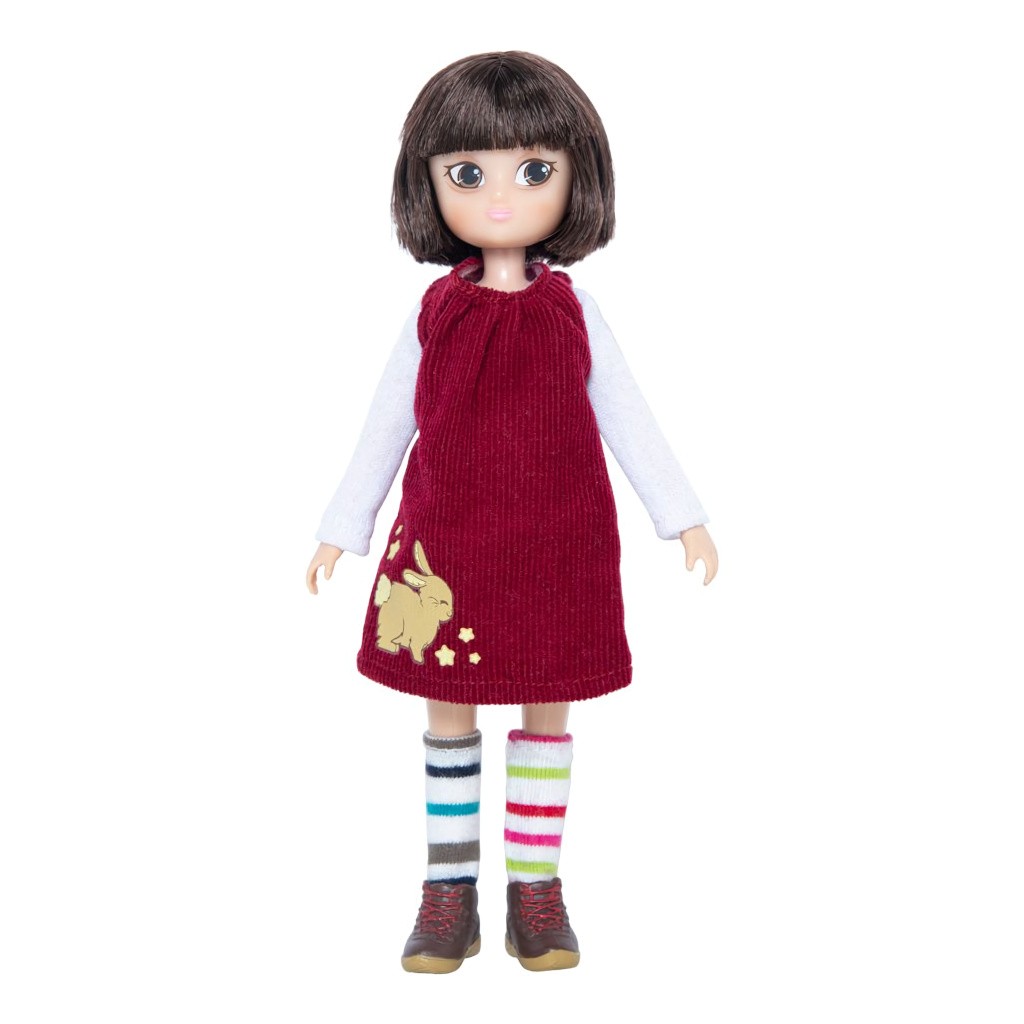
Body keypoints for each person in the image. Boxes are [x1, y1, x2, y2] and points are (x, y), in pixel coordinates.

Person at [306, 51, 718, 973]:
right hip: (446, 548)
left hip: (558, 542)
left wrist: (679, 513)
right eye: (468, 173)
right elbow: (387, 424)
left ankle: (536, 888)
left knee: (547, 704)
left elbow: (628, 416)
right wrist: (344, 526)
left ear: (577, 179)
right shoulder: (435, 314)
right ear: (427, 183)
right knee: (448, 708)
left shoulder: (575, 313)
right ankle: (448, 891)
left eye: (533, 170)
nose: (500, 198)